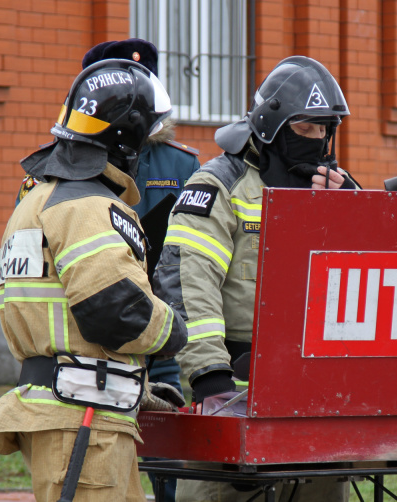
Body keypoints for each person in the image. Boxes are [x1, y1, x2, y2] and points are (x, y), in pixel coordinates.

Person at [0, 59, 188, 501]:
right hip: (84, 422)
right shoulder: (87, 206)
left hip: (70, 412)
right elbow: (116, 310)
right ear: (126, 136)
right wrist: (176, 329)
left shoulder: (37, 199)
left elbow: (62, 316)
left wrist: (135, 385)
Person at [152, 55, 358, 502]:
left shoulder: (335, 189)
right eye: (306, 128)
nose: (318, 139)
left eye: (325, 129)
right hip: (233, 396)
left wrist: (352, 213)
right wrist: (210, 380)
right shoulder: (218, 185)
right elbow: (188, 283)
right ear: (272, 126)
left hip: (320, 402)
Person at [79, 38, 201, 502]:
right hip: (95, 338)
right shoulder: (63, 165)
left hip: (161, 334)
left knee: (168, 455)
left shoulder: (182, 165)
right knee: (99, 465)